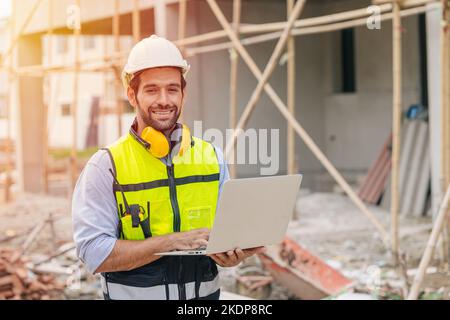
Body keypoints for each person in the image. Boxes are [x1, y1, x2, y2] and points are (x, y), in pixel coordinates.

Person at [72, 35, 264, 300]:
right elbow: (94, 253)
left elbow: (224, 234)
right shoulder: (106, 166)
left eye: (172, 89)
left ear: (183, 94)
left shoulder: (212, 156)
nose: (164, 100)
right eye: (151, 90)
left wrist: (230, 256)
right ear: (132, 94)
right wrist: (171, 242)